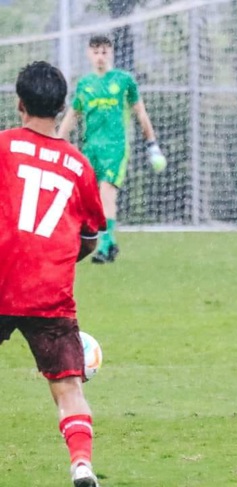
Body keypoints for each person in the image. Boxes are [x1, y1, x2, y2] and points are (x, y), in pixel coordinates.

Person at [0, 61, 107, 486]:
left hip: (2, 281)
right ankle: (81, 464)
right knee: (68, 389)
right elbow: (91, 235)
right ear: (63, 108)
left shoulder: (4, 147)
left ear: (19, 103)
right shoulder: (78, 166)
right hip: (49, 292)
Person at [59, 34, 167, 264]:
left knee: (106, 191)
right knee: (87, 198)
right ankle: (108, 242)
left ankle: (105, 246)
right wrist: (57, 142)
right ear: (89, 54)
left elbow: (140, 112)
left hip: (116, 148)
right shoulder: (85, 84)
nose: (100, 56)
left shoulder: (124, 80)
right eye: (96, 52)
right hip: (90, 149)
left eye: (104, 51)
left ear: (112, 53)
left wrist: (152, 145)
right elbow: (72, 116)